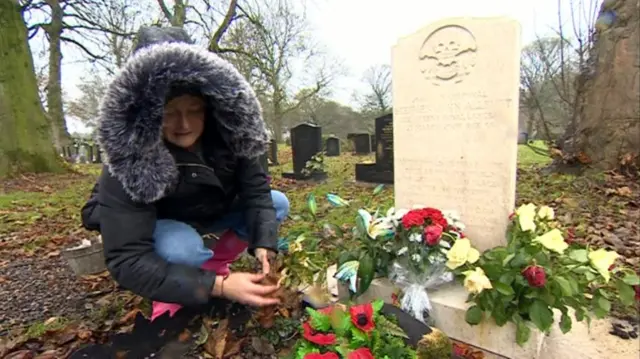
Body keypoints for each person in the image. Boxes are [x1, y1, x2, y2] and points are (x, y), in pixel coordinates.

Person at [80, 26, 289, 321]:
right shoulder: (130, 155)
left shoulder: (234, 131)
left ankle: (214, 265)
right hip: (161, 222)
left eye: (194, 110)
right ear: (146, 113)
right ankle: (183, 284)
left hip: (208, 210)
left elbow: (256, 191)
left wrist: (265, 242)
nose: (184, 124)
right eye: (168, 113)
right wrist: (221, 287)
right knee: (180, 247)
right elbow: (127, 258)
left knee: (277, 202)